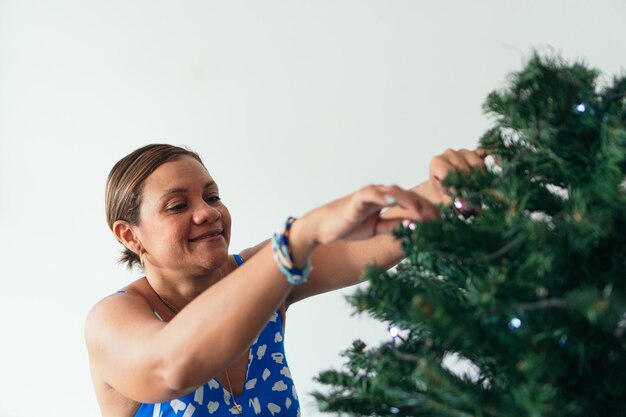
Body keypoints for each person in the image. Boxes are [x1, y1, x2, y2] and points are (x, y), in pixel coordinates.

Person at [85, 144, 486, 417]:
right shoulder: (112, 319)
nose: (207, 212)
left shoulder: (264, 272)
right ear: (129, 235)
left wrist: (446, 189)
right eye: (178, 205)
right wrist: (300, 236)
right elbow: (170, 368)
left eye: (212, 196)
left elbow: (373, 240)